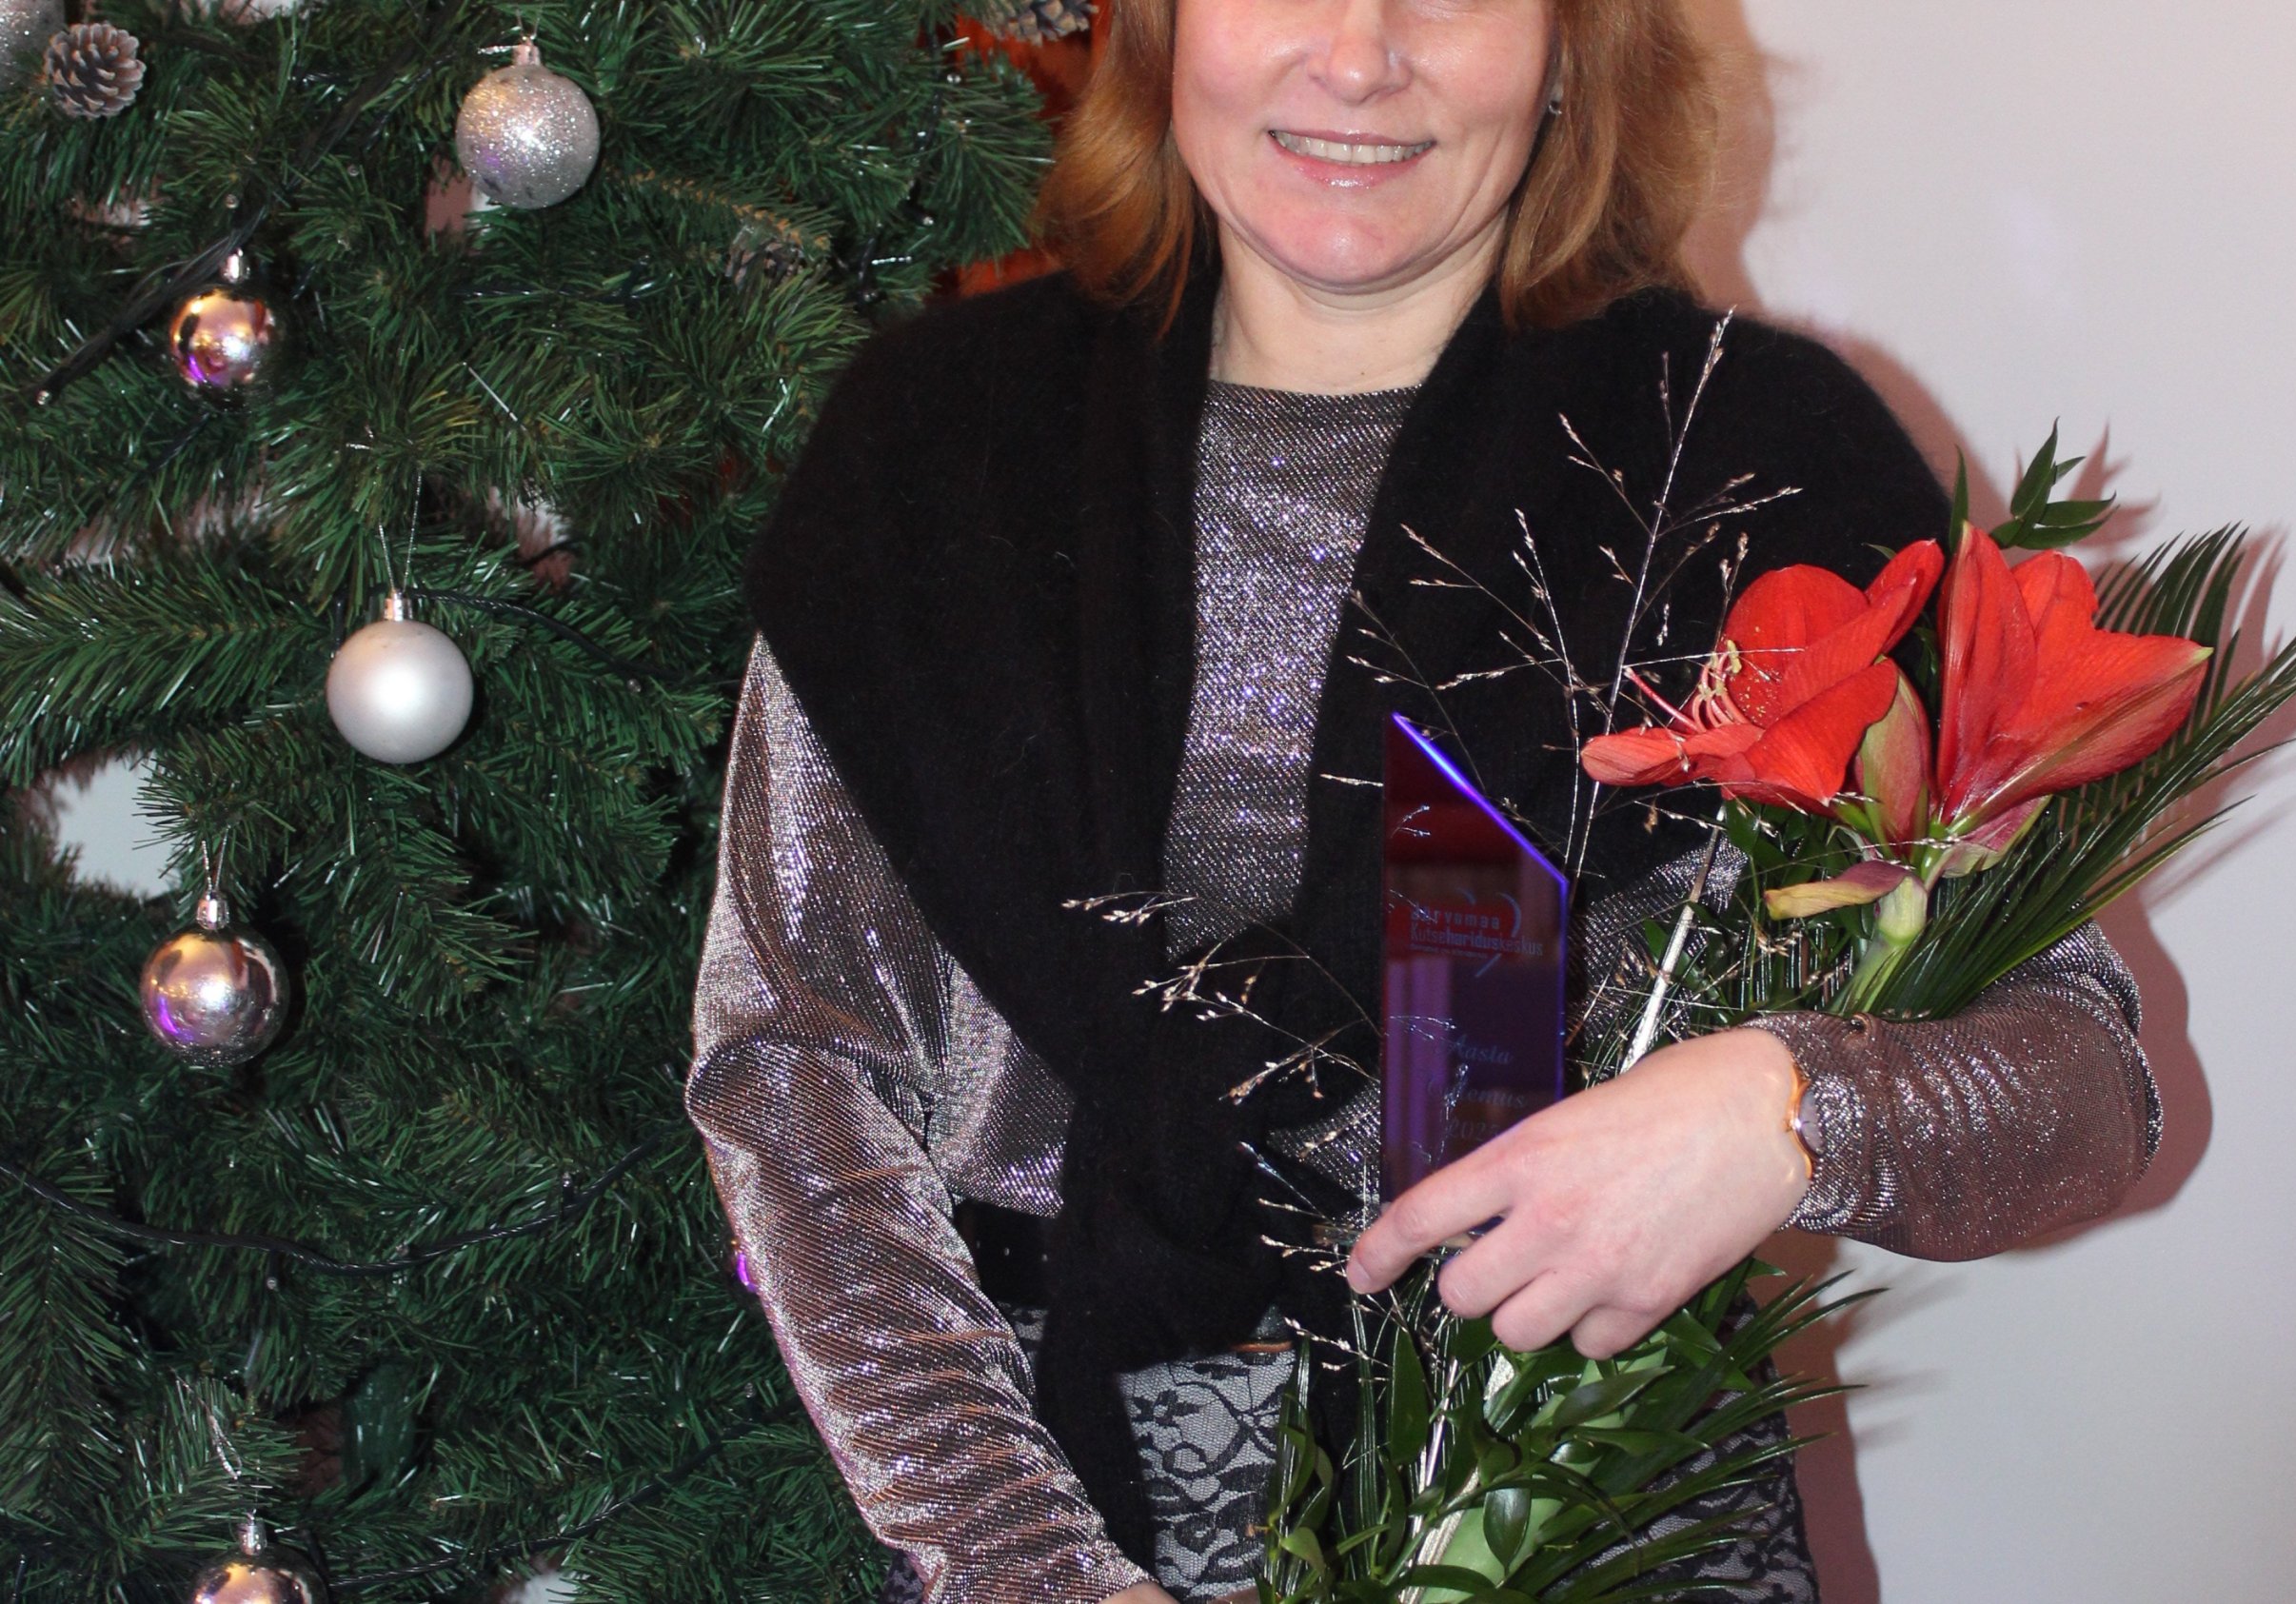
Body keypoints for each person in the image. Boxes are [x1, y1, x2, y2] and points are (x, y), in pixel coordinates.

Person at [685, 0, 2161, 1599]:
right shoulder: (934, 449)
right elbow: (796, 1067)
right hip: (1032, 1495)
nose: (1356, 55)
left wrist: (1785, 1111)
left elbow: (2084, 1079)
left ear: (1570, 45)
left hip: (1587, 1515)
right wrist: (1024, 1561)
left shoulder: (1750, 460)